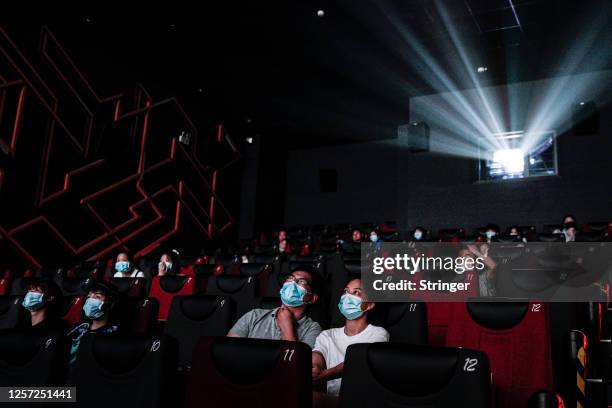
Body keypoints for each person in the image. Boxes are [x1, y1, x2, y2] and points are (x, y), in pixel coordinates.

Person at [312, 278, 389, 395]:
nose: (347, 296)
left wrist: (325, 375)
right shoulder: (327, 334)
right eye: (346, 291)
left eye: (356, 292)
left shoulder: (378, 333)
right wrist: (315, 368)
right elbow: (317, 355)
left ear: (369, 305)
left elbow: (359, 361)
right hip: (328, 398)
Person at [227, 267, 322, 347]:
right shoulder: (254, 316)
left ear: (312, 298)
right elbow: (227, 350)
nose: (292, 283)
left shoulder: (313, 329)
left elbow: (296, 366)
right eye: (290, 278)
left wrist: (286, 327)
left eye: (301, 281)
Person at [67, 282, 120, 367]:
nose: (90, 301)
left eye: (97, 297)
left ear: (111, 303)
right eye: (89, 297)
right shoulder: (80, 326)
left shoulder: (115, 334)